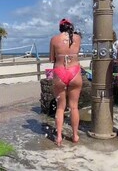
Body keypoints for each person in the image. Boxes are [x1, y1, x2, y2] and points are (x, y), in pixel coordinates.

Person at [49, 18, 82, 146]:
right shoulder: (77, 38)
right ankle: (74, 135)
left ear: (60, 28)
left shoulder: (54, 39)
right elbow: (77, 52)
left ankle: (58, 137)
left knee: (60, 107)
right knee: (74, 106)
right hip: (74, 71)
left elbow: (52, 58)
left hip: (60, 72)